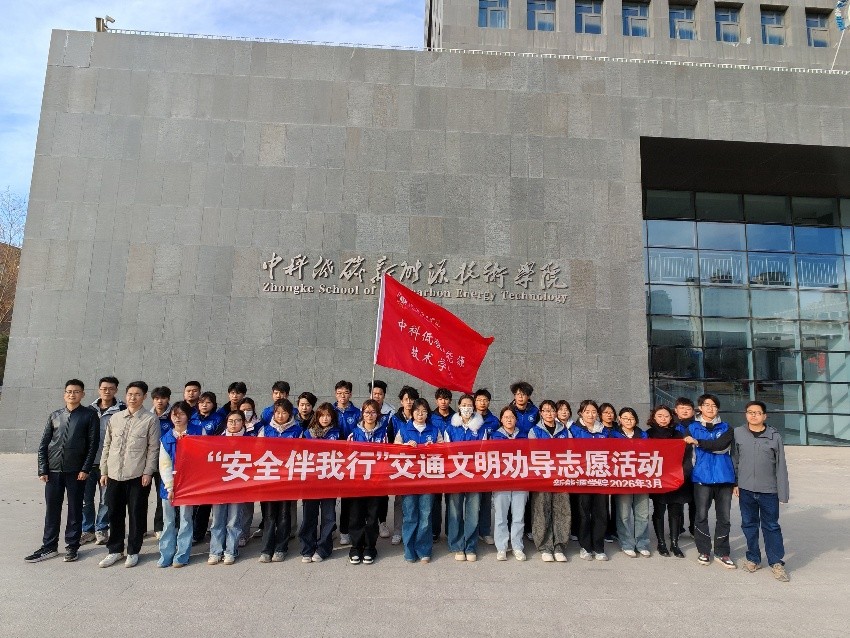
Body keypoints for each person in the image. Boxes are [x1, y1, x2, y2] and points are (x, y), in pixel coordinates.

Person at [25, 379, 99, 563]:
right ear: (64, 394)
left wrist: (85, 468)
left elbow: (93, 445)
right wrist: (43, 468)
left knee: (75, 509)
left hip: (76, 472)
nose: (72, 394)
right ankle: (49, 546)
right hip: (53, 471)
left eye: (76, 391)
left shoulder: (89, 416)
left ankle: (72, 546)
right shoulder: (55, 415)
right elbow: (43, 444)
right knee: (52, 510)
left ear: (82, 394)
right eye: (69, 391)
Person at [98, 381, 159, 568]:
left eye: (137, 394)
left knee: (136, 514)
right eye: (130, 394)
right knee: (114, 513)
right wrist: (104, 470)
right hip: (114, 474)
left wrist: (148, 472)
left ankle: (133, 551)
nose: (133, 398)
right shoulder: (115, 418)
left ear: (144, 397)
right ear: (125, 396)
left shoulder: (150, 419)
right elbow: (107, 446)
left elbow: (153, 448)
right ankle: (115, 550)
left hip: (137, 476)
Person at [733, 401, 790, 582]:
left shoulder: (774, 436)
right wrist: (735, 483)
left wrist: (783, 492)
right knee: (749, 525)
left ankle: (776, 562)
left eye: (758, 412)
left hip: (769, 491)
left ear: (764, 416)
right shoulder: (738, 433)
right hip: (746, 489)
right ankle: (753, 558)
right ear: (746, 414)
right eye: (750, 412)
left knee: (771, 526)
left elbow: (781, 466)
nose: (753, 415)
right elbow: (734, 460)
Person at [684, 394, 737, 568]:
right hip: (702, 478)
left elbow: (721, 445)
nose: (710, 408)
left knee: (724, 518)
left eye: (714, 405)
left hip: (724, 478)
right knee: (701, 516)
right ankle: (704, 551)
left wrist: (698, 442)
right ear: (700, 408)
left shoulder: (727, 428)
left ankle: (722, 552)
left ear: (718, 408)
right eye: (706, 405)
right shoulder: (692, 427)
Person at [395, 398, 442, 563]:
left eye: (424, 411)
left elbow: (444, 450)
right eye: (417, 411)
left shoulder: (434, 430)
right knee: (410, 515)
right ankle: (409, 550)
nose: (420, 414)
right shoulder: (403, 429)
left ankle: (424, 550)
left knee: (425, 515)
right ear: (412, 413)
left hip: (428, 479)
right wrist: (405, 446)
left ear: (428, 413)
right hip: (408, 479)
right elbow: (394, 449)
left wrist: (434, 447)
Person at [257, 398, 302, 562]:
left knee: (284, 514)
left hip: (287, 478)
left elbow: (300, 452)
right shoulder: (265, 430)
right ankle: (266, 549)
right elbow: (257, 451)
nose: (281, 415)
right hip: (269, 477)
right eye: (278, 412)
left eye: (284, 412)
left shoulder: (297, 431)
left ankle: (281, 548)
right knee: (269, 515)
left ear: (290, 414)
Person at [81, 376, 125, 546]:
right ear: (99, 389)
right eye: (104, 388)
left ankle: (101, 528)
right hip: (88, 463)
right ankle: (87, 530)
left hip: (109, 464)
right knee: (85, 499)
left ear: (116, 390)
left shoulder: (122, 409)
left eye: (111, 388)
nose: (107, 391)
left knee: (105, 500)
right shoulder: (88, 410)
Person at [528, 400, 571, 562]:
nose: (549, 413)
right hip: (542, 476)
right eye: (545, 410)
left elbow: (570, 450)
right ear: (541, 413)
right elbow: (533, 453)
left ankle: (559, 545)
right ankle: (545, 546)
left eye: (552, 410)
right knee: (541, 509)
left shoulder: (564, 430)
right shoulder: (534, 431)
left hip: (561, 475)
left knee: (562, 509)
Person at [645, 405, 692, 559]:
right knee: (659, 510)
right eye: (660, 416)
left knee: (675, 511)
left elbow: (686, 456)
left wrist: (683, 474)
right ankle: (661, 543)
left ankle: (674, 543)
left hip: (676, 479)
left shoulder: (679, 434)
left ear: (671, 417)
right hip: (658, 478)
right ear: (654, 417)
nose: (663, 419)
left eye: (666, 416)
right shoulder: (648, 435)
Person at [444, 394, 486, 562]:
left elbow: (483, 451)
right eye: (464, 405)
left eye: (469, 405)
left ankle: (470, 546)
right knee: (455, 511)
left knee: (472, 512)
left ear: (473, 408)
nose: (467, 408)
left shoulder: (481, 428)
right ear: (459, 407)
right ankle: (457, 545)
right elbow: (447, 452)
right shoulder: (450, 428)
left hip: (474, 475)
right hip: (456, 475)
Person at [347, 399, 388, 565]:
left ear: (377, 414)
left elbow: (385, 457)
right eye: (366, 412)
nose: (369, 415)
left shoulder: (383, 434)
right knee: (356, 515)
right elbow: (348, 457)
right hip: (357, 482)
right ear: (362, 414)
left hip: (375, 482)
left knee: (372, 517)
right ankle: (356, 546)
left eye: (373, 412)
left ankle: (370, 547)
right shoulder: (353, 434)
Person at [299, 403, 341, 563]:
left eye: (328, 415)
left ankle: (323, 548)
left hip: (329, 480)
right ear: (317, 417)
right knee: (309, 515)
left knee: (328, 516)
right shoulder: (307, 434)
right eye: (322, 415)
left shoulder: (337, 433)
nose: (325, 418)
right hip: (311, 480)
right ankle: (307, 548)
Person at [570, 400, 610, 560]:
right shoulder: (574, 429)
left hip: (600, 476)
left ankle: (599, 547)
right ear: (581, 413)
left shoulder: (604, 431)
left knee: (601, 513)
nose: (591, 415)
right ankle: (585, 547)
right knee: (584, 513)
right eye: (587, 412)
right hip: (582, 477)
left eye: (593, 412)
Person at [157, 401, 195, 567]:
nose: (177, 418)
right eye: (174, 414)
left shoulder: (196, 433)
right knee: (168, 521)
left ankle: (182, 555)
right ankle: (166, 554)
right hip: (168, 487)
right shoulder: (166, 438)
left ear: (188, 416)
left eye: (181, 414)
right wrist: (170, 487)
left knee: (186, 520)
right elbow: (164, 465)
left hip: (188, 485)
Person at [610, 407, 650, 557]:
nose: (628, 421)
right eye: (625, 418)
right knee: (624, 514)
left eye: (631, 418)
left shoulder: (643, 435)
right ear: (619, 419)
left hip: (641, 478)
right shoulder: (613, 435)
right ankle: (626, 543)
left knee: (642, 513)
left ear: (636, 420)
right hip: (622, 479)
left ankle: (642, 543)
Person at [208, 410, 247, 565]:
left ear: (243, 422)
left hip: (239, 487)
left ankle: (231, 551)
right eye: (230, 421)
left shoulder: (250, 440)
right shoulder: (217, 440)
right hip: (220, 487)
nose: (233, 424)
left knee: (233, 521)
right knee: (217, 521)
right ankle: (215, 551)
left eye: (237, 421)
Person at [490, 406, 528, 561]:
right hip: (502, 481)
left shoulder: (524, 436)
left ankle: (517, 546)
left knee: (518, 516)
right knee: (501, 516)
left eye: (511, 417)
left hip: (520, 480)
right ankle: (502, 547)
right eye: (505, 417)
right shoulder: (495, 436)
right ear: (501, 419)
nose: (509, 419)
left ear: (516, 419)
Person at [190, 391, 224, 544]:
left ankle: (199, 532)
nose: (204, 405)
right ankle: (189, 530)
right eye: (202, 402)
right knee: (192, 500)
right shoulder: (191, 417)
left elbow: (219, 442)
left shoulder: (218, 420)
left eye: (208, 402)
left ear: (213, 405)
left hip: (210, 464)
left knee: (204, 501)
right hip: (193, 464)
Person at [389, 385, 420, 546]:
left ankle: (415, 531)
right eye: (406, 399)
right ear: (401, 401)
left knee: (416, 499)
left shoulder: (420, 417)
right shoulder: (394, 419)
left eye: (412, 399)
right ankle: (397, 531)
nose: (409, 402)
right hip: (400, 464)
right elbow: (389, 442)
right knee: (400, 499)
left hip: (419, 465)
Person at [334, 380, 361, 546]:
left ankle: (349, 530)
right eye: (339, 393)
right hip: (334, 459)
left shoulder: (357, 413)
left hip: (353, 459)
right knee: (333, 497)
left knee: (350, 497)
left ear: (350, 394)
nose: (342, 396)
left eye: (345, 393)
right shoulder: (330, 411)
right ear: (335, 394)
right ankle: (339, 530)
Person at [429, 387, 454, 542]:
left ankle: (451, 531)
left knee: (451, 499)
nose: (443, 402)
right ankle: (434, 531)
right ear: (436, 400)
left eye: (446, 399)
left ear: (450, 400)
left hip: (452, 462)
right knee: (435, 498)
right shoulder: (430, 417)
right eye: (440, 399)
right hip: (435, 461)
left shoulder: (456, 417)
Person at [474, 388, 499, 546]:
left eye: (485, 400)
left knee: (485, 499)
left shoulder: (494, 421)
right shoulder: (469, 419)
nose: (482, 403)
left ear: (489, 402)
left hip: (488, 464)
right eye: (479, 400)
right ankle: (472, 530)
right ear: (475, 402)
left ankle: (484, 531)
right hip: (470, 464)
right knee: (472, 500)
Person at [369, 380, 394, 540]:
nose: (377, 396)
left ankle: (382, 522)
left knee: (382, 492)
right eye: (374, 393)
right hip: (366, 458)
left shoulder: (390, 411)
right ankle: (369, 521)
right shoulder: (364, 409)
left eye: (380, 394)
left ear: (384, 395)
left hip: (383, 456)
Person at [149, 386, 172, 539]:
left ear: (168, 399)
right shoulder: (147, 416)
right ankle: (141, 528)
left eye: (163, 398)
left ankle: (159, 526)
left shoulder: (173, 416)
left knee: (161, 496)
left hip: (164, 463)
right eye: (157, 398)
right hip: (147, 462)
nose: (159, 401)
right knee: (140, 497)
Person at [674, 397, 697, 536]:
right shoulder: (672, 426)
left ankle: (694, 528)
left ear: (693, 411)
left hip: (696, 468)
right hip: (677, 469)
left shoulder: (698, 426)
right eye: (682, 408)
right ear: (676, 410)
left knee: (695, 502)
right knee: (678, 501)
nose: (685, 411)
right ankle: (678, 527)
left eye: (688, 408)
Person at [599, 402, 619, 543]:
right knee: (603, 502)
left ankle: (615, 529)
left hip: (618, 468)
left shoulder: (619, 429)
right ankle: (605, 530)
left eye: (611, 412)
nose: (609, 415)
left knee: (617, 501)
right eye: (606, 412)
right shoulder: (598, 429)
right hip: (602, 467)